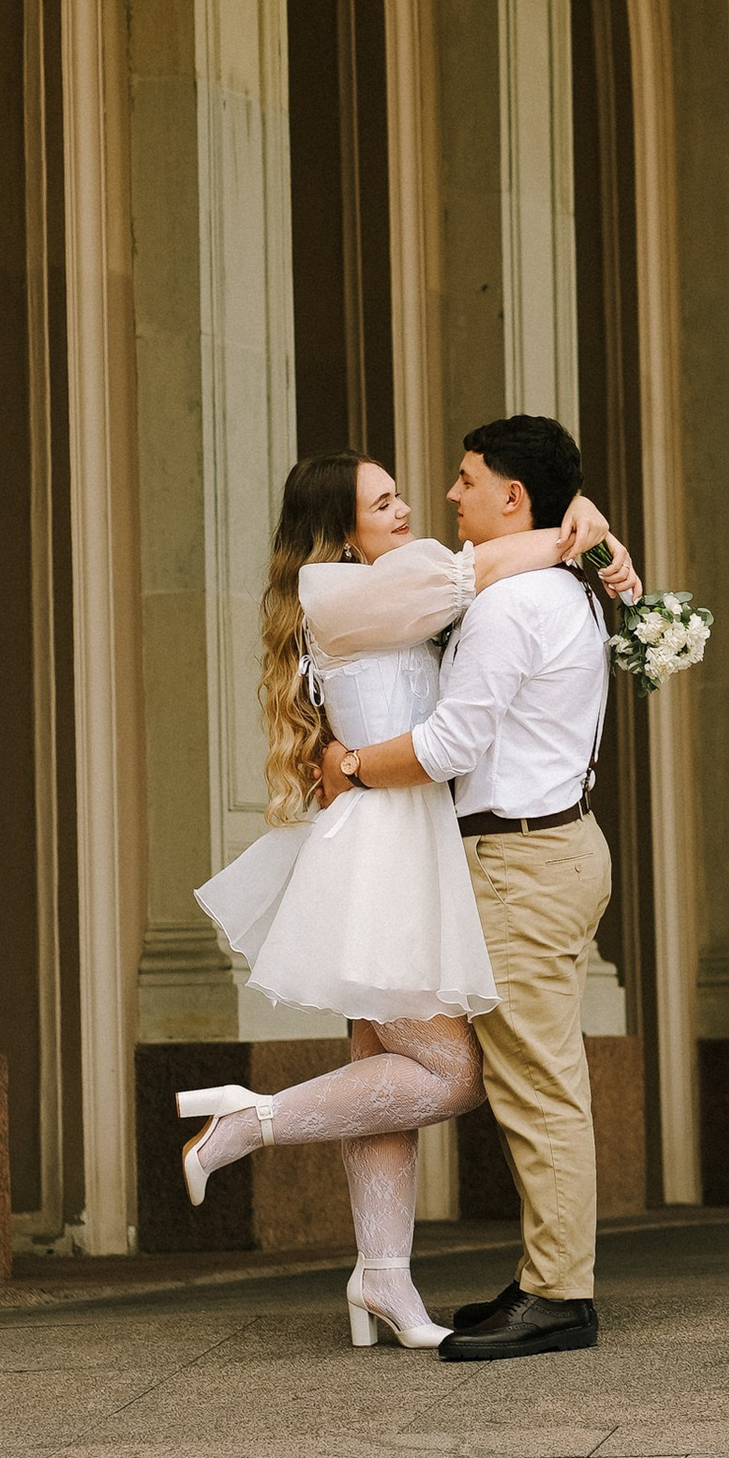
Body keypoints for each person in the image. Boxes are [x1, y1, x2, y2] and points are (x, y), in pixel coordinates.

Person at [179, 449, 636, 1350]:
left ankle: (382, 1279)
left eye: (403, 496)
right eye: (383, 503)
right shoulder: (348, 593)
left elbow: (501, 550)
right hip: (390, 847)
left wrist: (580, 516)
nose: (410, 508)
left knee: (378, 1067)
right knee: (455, 1074)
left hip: (412, 844)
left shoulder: (402, 580)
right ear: (338, 531)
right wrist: (583, 525)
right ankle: (250, 1121)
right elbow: (491, 561)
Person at [321, 413, 618, 1365]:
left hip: (522, 862)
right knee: (532, 1076)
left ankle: (562, 1297)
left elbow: (454, 744)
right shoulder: (556, 578)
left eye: (464, 479)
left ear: (513, 498)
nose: (449, 495)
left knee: (536, 1085)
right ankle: (540, 1277)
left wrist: (354, 766)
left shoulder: (509, 604)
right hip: (548, 847)